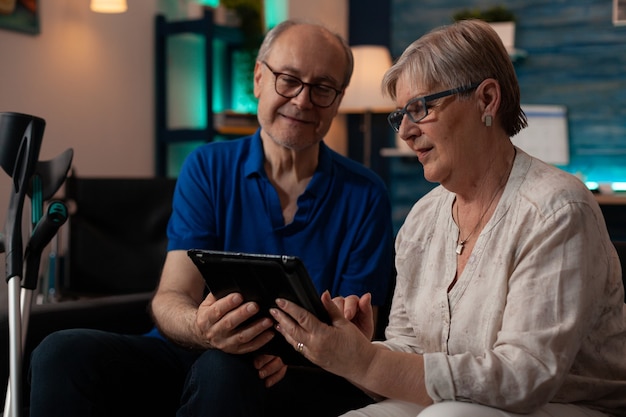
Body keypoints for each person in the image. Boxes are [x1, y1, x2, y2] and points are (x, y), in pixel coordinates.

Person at [28, 19, 394, 417]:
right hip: (190, 351)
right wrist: (203, 329)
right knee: (59, 351)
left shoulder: (365, 193)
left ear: (338, 99)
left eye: (322, 88)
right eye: (288, 79)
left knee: (227, 369)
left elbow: (357, 337)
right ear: (258, 78)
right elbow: (171, 297)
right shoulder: (207, 167)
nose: (303, 101)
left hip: (294, 374)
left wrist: (284, 354)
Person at [268, 19, 626, 417]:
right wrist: (354, 348)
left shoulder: (557, 209)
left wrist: (365, 363)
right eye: (400, 114)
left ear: (487, 99)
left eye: (420, 108)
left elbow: (525, 378)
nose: (404, 130)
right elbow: (411, 349)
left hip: (570, 405)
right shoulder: (421, 220)